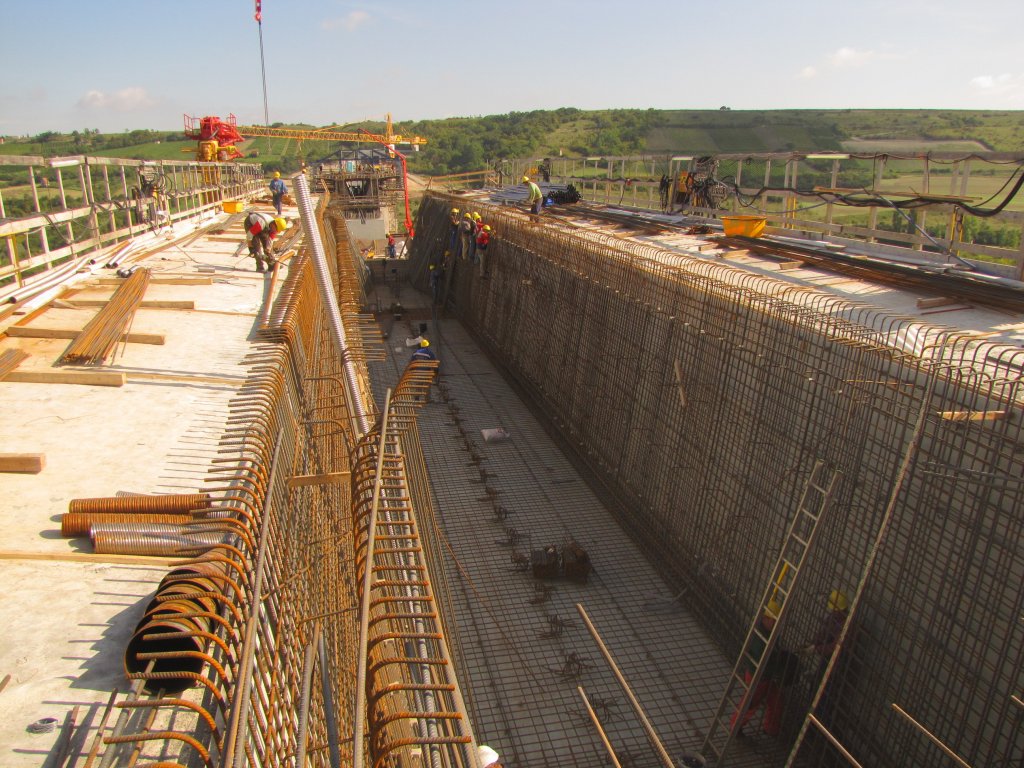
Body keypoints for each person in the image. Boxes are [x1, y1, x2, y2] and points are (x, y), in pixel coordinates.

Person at [731, 600, 795, 737]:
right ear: (765, 618)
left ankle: (771, 729)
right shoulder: (759, 637)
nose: (776, 623)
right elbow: (763, 660)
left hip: (768, 675)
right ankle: (736, 727)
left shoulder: (770, 631)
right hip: (758, 676)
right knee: (751, 704)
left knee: (776, 702)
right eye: (773, 620)